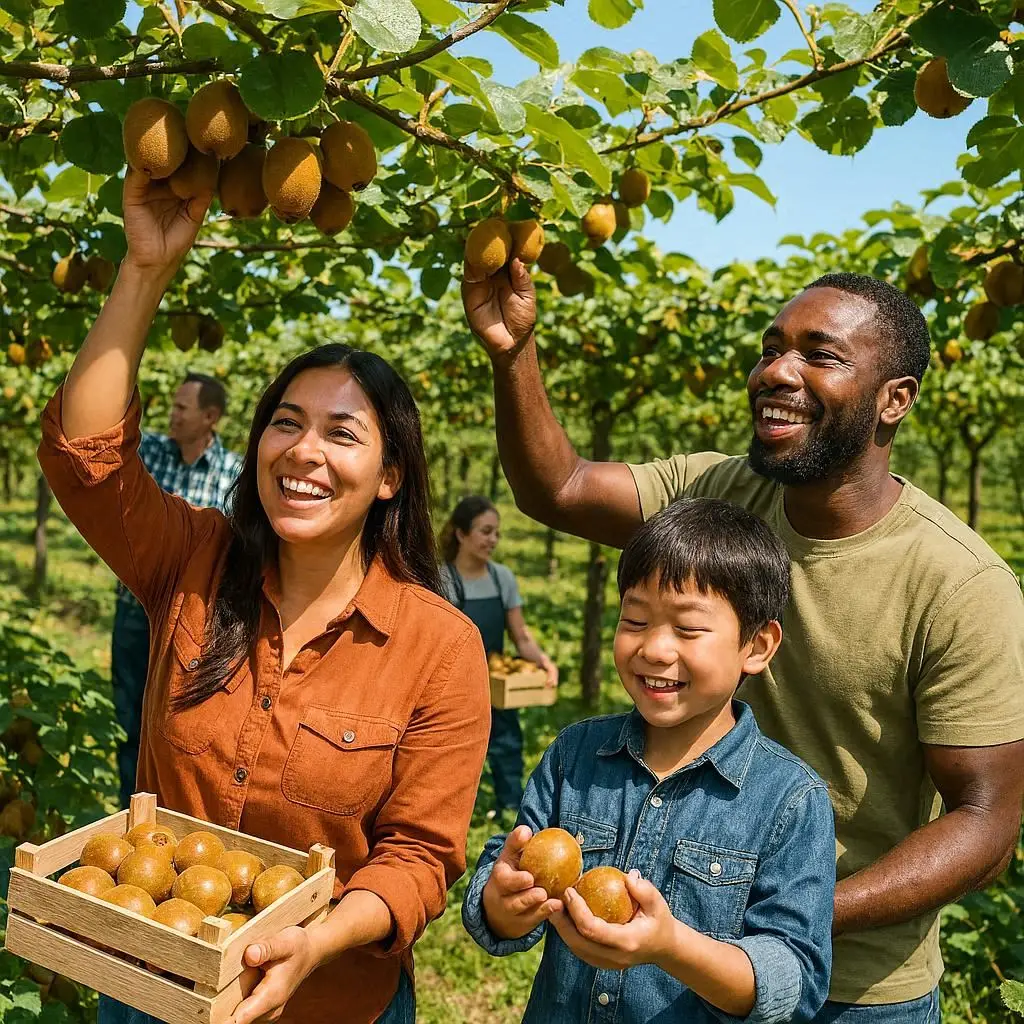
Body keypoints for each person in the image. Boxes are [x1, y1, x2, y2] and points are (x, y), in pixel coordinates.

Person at [461, 259, 1024, 1021]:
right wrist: (512, 352)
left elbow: (986, 826)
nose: (776, 371)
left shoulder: (960, 586)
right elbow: (557, 488)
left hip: (852, 985)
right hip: (665, 955)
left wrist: (775, 919)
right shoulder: (722, 495)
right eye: (771, 347)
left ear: (896, 400)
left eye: (819, 355)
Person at [36, 169, 492, 1024]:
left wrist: (313, 938)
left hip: (327, 1003)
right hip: (154, 981)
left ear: (391, 476)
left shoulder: (440, 646)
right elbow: (86, 461)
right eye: (286, 422)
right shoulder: (196, 561)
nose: (303, 451)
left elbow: (420, 857)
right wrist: (144, 271)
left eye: (342, 433)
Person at [463, 498, 835, 1022]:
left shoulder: (790, 801)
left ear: (757, 645)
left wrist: (672, 947)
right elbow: (499, 884)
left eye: (687, 629)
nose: (655, 649)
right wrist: (502, 906)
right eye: (635, 619)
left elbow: (791, 978)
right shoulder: (574, 757)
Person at [111, 372, 241, 810]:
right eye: (173, 405)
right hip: (134, 611)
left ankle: (175, 816)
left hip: (196, 623)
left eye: (183, 407)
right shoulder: (148, 453)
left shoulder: (235, 472)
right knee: (129, 716)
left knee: (178, 722)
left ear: (211, 417)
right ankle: (129, 810)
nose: (173, 414)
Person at [439, 495, 558, 825]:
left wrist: (544, 662)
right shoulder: (442, 579)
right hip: (454, 683)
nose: (493, 539)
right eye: (485, 531)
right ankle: (453, 810)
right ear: (461, 534)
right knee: (452, 748)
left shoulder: (501, 577)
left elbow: (520, 636)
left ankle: (510, 809)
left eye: (496, 533)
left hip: (495, 682)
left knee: (506, 744)